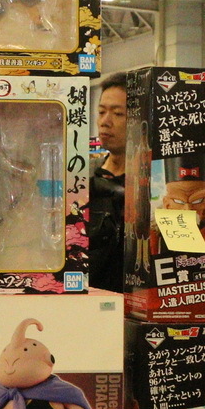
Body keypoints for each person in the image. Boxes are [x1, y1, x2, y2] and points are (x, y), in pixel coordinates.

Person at [87, 76, 126, 293]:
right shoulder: (84, 178)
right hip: (88, 301)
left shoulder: (157, 186)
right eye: (101, 112)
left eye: (118, 114)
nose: (105, 121)